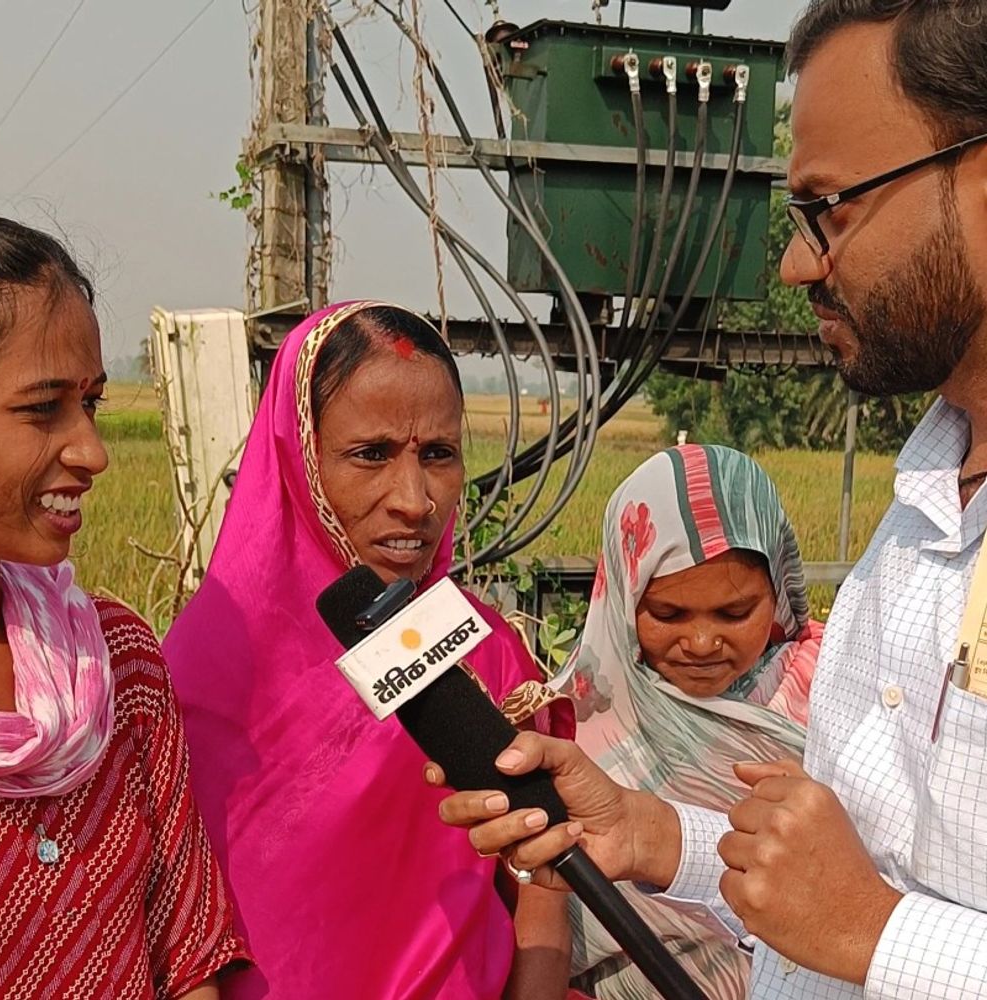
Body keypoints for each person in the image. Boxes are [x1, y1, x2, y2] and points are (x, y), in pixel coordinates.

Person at [433, 2, 987, 997]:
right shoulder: (919, 515)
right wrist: (645, 833)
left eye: (830, 207)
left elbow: (858, 910)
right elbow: (839, 880)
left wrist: (878, 936)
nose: (793, 263)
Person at [163, 300, 575, 999]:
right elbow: (170, 923)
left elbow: (540, 879)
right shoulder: (196, 672)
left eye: (438, 455)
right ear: (297, 456)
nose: (414, 500)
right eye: (370, 455)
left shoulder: (487, 651)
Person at [0, 212, 249, 998]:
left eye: (93, 404)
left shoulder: (112, 661)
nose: (92, 452)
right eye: (43, 410)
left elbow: (187, 952)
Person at [551, 445, 821, 999]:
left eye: (735, 613)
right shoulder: (572, 719)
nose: (701, 644)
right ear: (624, 595)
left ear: (779, 590)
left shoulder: (825, 692)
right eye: (668, 614)